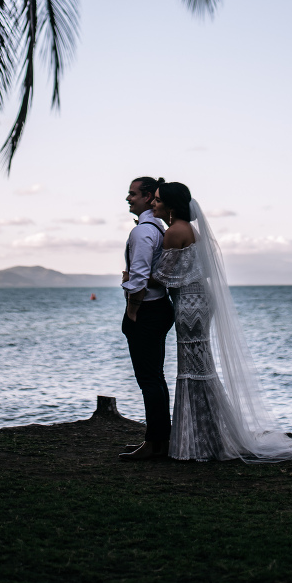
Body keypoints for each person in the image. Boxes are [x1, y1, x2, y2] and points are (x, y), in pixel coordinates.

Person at [151, 181, 292, 463]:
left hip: (189, 303)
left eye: (157, 200)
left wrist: (134, 275)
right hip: (201, 300)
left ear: (169, 205)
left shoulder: (174, 232)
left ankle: (201, 443)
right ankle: (209, 437)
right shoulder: (192, 230)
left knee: (192, 370)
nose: (153, 204)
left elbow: (163, 277)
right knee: (201, 368)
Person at [119, 176, 175, 461]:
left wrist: (131, 311)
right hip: (159, 308)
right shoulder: (159, 228)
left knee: (149, 379)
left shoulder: (143, 232)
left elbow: (140, 278)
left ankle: (155, 445)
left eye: (132, 194)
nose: (128, 198)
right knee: (155, 378)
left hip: (147, 310)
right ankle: (158, 442)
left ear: (148, 196)